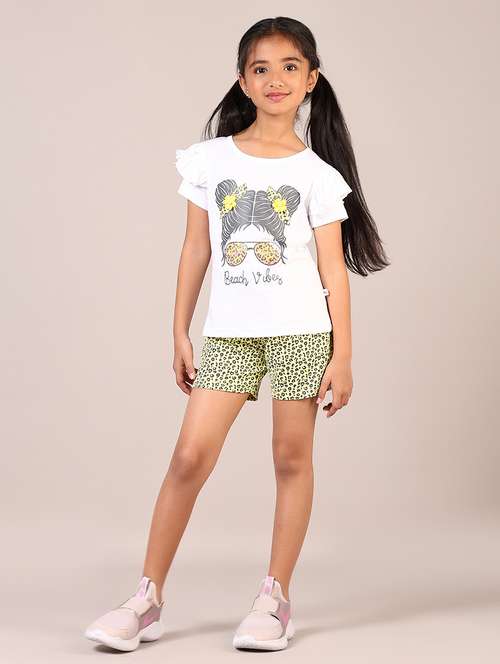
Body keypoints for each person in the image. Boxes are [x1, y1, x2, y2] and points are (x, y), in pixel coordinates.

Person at [84, 15, 389, 653]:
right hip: (230, 336)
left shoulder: (317, 174)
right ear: (243, 81)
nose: (275, 79)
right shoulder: (210, 160)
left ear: (311, 78)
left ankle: (274, 599)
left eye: (289, 67)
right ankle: (146, 599)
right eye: (261, 68)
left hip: (302, 333)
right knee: (189, 457)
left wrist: (343, 356)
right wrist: (180, 330)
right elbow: (195, 249)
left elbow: (333, 272)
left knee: (290, 458)